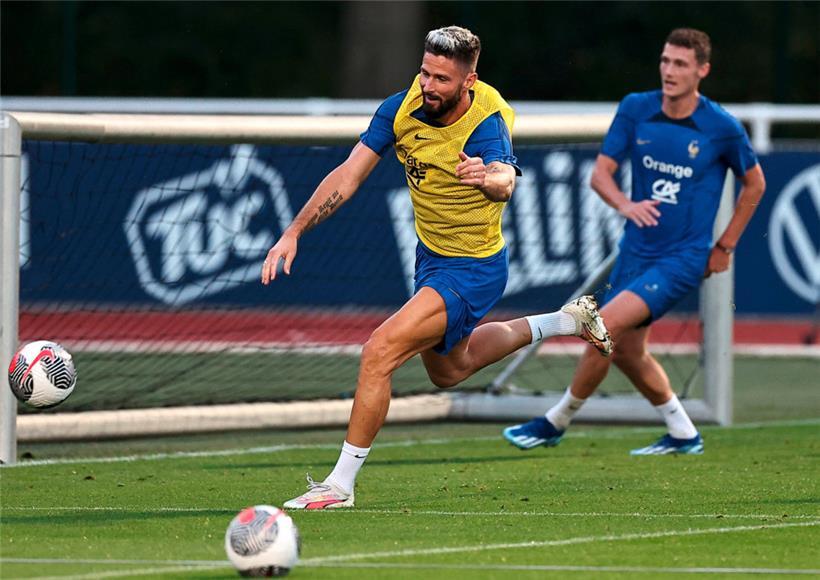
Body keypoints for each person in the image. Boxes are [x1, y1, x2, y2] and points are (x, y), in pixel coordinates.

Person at [261, 26, 613, 509]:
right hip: (431, 259)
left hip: (474, 267)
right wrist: (294, 230)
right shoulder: (401, 107)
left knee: (378, 351)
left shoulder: (486, 120)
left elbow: (506, 181)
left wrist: (487, 177)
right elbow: (349, 172)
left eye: (442, 79)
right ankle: (566, 320)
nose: (428, 85)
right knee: (451, 371)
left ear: (469, 81)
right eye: (425, 72)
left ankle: (339, 486)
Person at [504, 28, 766, 455]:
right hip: (635, 251)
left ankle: (556, 420)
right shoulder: (636, 109)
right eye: (665, 61)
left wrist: (725, 247)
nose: (669, 70)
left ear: (702, 70)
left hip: (682, 258)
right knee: (625, 352)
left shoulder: (721, 127)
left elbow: (754, 184)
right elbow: (600, 174)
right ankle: (683, 433)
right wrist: (626, 206)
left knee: (601, 325)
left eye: (680, 64)